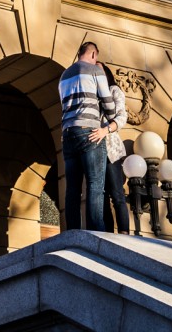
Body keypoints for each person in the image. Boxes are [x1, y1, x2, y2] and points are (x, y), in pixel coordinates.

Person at [58, 41, 119, 231]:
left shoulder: (64, 76)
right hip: (90, 131)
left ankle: (72, 231)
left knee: (72, 189)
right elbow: (107, 102)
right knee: (95, 185)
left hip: (68, 133)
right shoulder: (95, 70)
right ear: (93, 55)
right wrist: (112, 119)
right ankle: (96, 231)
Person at [99, 63, 130, 234]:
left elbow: (122, 116)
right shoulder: (91, 94)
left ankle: (124, 232)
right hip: (95, 151)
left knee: (117, 194)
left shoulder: (114, 91)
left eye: (99, 70)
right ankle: (108, 233)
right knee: (101, 196)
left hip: (112, 151)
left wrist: (106, 129)